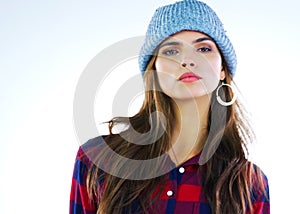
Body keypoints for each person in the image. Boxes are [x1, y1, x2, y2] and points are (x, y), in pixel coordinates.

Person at [70, 0, 270, 213]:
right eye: (171, 51)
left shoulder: (249, 184)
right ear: (153, 70)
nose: (188, 60)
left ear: (222, 69)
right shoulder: (98, 158)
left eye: (203, 48)